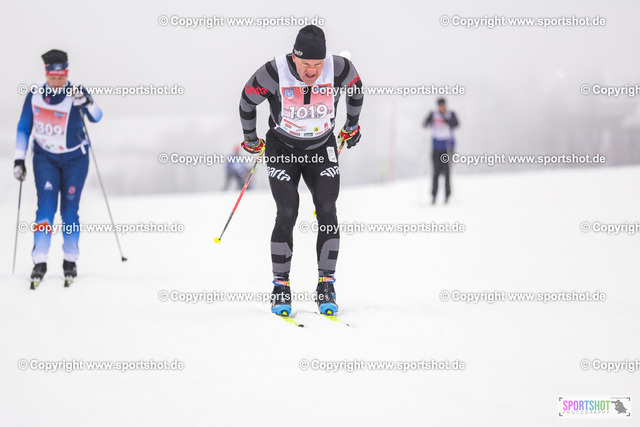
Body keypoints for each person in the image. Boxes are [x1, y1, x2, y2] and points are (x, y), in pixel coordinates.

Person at [238, 25, 364, 316]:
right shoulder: (273, 72)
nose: (311, 71)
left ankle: (326, 285)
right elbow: (247, 101)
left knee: (327, 208)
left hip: (321, 148)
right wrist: (251, 139)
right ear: (294, 57)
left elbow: (356, 89)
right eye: (305, 64)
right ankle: (281, 286)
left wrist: (352, 125)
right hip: (282, 148)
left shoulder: (339, 68)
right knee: (287, 210)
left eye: (317, 65)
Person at [13, 49, 102, 286]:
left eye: (61, 77)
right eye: (53, 78)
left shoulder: (77, 93)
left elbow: (97, 117)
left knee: (70, 210)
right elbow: (23, 127)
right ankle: (39, 261)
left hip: (75, 160)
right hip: (46, 160)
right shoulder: (35, 95)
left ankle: (70, 261)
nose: (57, 82)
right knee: (46, 208)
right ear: (46, 75)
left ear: (67, 74)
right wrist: (19, 159)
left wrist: (89, 103)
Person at [423, 98, 459, 204]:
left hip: (447, 148)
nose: (441, 108)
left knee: (447, 173)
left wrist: (449, 122)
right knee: (436, 173)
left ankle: (447, 196)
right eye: (439, 106)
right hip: (436, 148)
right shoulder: (433, 114)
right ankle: (434, 196)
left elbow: (456, 124)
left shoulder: (450, 114)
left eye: (443, 105)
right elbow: (424, 124)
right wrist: (428, 121)